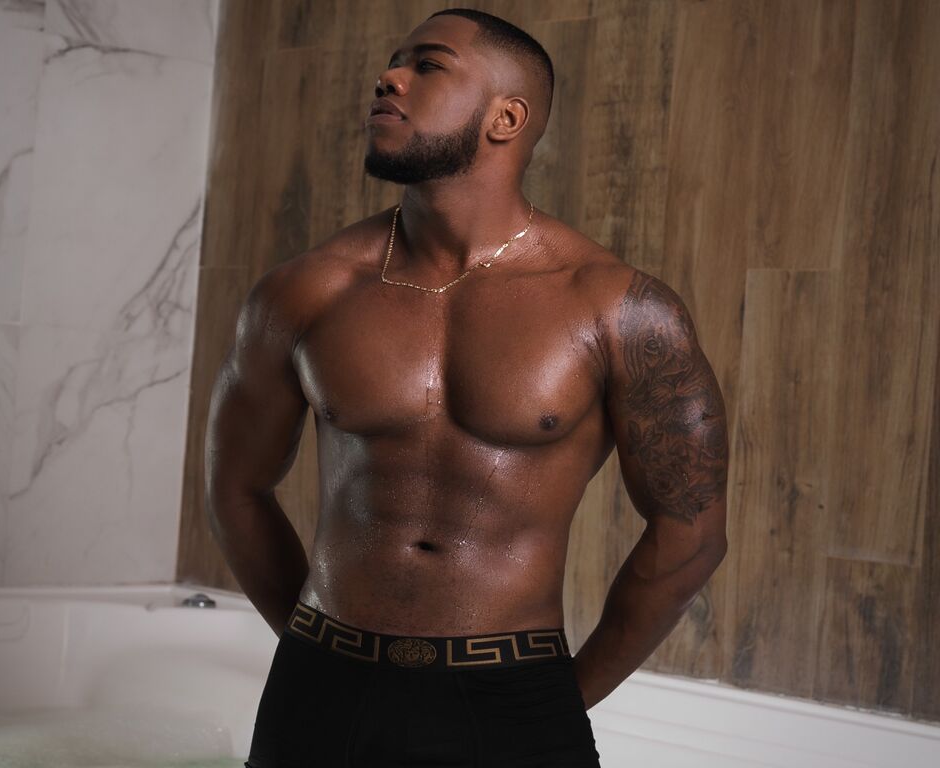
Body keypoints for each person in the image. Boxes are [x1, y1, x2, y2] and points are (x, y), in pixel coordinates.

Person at [205, 7, 729, 768]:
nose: (389, 77)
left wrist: (559, 698)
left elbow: (691, 534)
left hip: (512, 693)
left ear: (506, 118)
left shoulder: (614, 307)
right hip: (319, 682)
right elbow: (235, 489)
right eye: (394, 61)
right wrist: (315, 649)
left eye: (427, 65)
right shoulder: (306, 291)